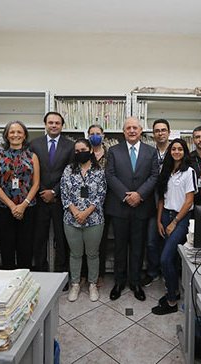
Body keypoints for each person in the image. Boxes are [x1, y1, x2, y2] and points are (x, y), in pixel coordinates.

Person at [106, 117, 158, 301]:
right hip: (120, 206)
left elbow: (154, 176)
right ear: (123, 131)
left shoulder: (151, 152)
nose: (132, 130)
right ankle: (119, 281)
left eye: (135, 127)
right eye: (128, 128)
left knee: (138, 247)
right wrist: (126, 196)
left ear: (141, 130)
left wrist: (139, 194)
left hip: (142, 207)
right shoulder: (113, 150)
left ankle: (135, 282)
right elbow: (110, 175)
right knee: (120, 246)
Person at [152, 138, 197, 315]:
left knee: (165, 258)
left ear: (185, 152)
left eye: (180, 149)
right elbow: (162, 198)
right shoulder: (167, 171)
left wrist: (174, 222)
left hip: (181, 218)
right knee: (168, 258)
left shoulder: (189, 172)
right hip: (165, 215)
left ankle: (171, 302)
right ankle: (175, 291)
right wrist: (158, 221)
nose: (176, 151)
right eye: (174, 149)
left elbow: (189, 201)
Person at [61, 138, 106, 302]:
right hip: (71, 220)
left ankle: (93, 284)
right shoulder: (68, 170)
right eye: (77, 151)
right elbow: (64, 194)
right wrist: (76, 212)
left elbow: (101, 195)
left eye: (83, 150)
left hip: (94, 220)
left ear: (90, 151)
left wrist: (85, 213)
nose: (81, 153)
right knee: (75, 254)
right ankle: (75, 284)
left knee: (93, 254)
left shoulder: (99, 171)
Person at [0, 121, 40, 269]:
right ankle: (9, 286)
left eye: (19, 132)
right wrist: (12, 206)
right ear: (6, 135)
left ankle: (24, 285)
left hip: (28, 209)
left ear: (24, 135)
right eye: (12, 132)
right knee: (7, 249)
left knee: (26, 249)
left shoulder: (32, 157)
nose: (15, 135)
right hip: (4, 209)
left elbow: (36, 184)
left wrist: (23, 205)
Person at [30, 112, 74, 273]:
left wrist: (54, 191)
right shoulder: (34, 144)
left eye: (57, 123)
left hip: (60, 199)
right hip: (39, 198)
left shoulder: (70, 146)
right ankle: (41, 271)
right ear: (45, 124)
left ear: (62, 126)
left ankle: (61, 273)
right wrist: (42, 190)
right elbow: (31, 171)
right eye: (51, 122)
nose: (54, 125)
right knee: (39, 237)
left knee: (62, 238)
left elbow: (70, 173)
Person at [142, 118, 170, 287]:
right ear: (153, 134)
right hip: (152, 204)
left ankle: (168, 271)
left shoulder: (175, 151)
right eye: (157, 130)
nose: (160, 133)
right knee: (151, 241)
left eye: (163, 130)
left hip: (171, 204)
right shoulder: (149, 153)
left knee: (169, 241)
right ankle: (153, 272)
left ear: (169, 132)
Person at [80, 124, 109, 286]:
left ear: (103, 135)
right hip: (83, 204)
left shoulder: (110, 155)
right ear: (88, 135)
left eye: (98, 133)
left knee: (100, 241)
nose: (95, 136)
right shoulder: (83, 153)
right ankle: (83, 273)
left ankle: (98, 274)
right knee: (83, 240)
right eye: (92, 133)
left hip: (104, 203)